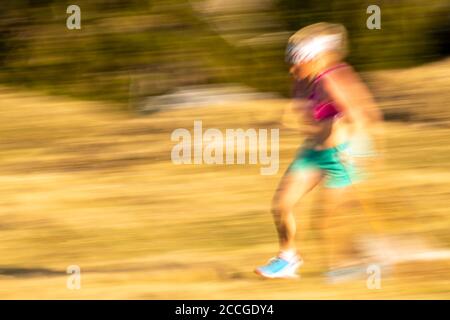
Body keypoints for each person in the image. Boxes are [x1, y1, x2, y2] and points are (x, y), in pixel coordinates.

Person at [255, 22, 383, 279]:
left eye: (297, 62)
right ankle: (287, 259)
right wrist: (280, 123)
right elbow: (306, 119)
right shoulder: (301, 82)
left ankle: (350, 267)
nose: (292, 68)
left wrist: (357, 148)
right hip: (312, 154)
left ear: (312, 59)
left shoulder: (329, 82)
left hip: (340, 157)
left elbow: (359, 115)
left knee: (324, 222)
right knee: (281, 206)